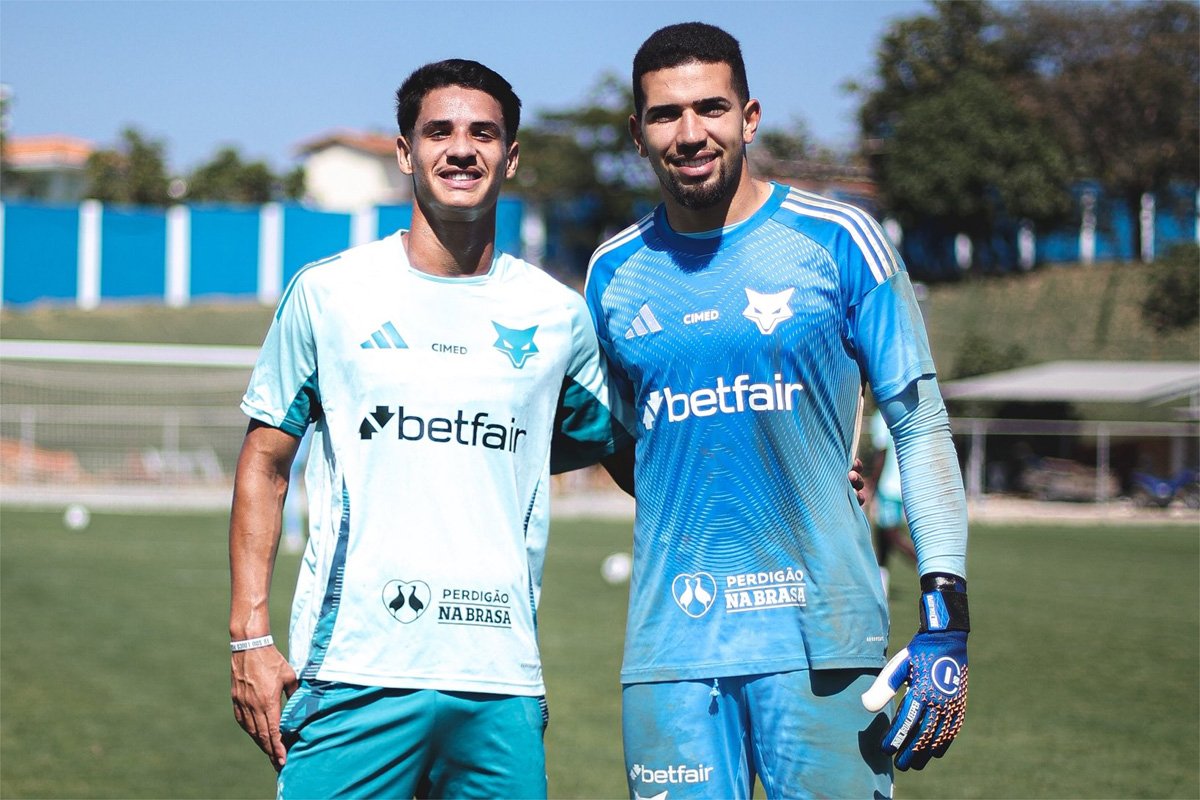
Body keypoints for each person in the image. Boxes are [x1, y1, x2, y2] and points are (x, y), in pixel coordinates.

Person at [586, 22, 971, 799]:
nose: (690, 133)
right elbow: (631, 447)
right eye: (665, 114)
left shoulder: (840, 240)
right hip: (672, 652)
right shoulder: (612, 275)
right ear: (637, 132)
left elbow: (921, 425)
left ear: (749, 116)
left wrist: (946, 614)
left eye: (711, 108)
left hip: (825, 639)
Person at [227, 58, 631, 798]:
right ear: (406, 152)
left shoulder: (557, 316)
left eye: (483, 133)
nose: (461, 149)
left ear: (510, 157)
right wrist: (249, 637)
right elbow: (264, 463)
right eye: (438, 131)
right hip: (353, 670)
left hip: (499, 682)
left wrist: (810, 484)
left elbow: (634, 456)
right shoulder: (330, 294)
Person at [868, 407, 917, 595]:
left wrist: (873, 483)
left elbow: (881, 453)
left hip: (888, 486)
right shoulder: (901, 413)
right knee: (882, 536)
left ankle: (925, 567)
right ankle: (881, 584)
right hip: (903, 484)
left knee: (891, 534)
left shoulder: (881, 417)